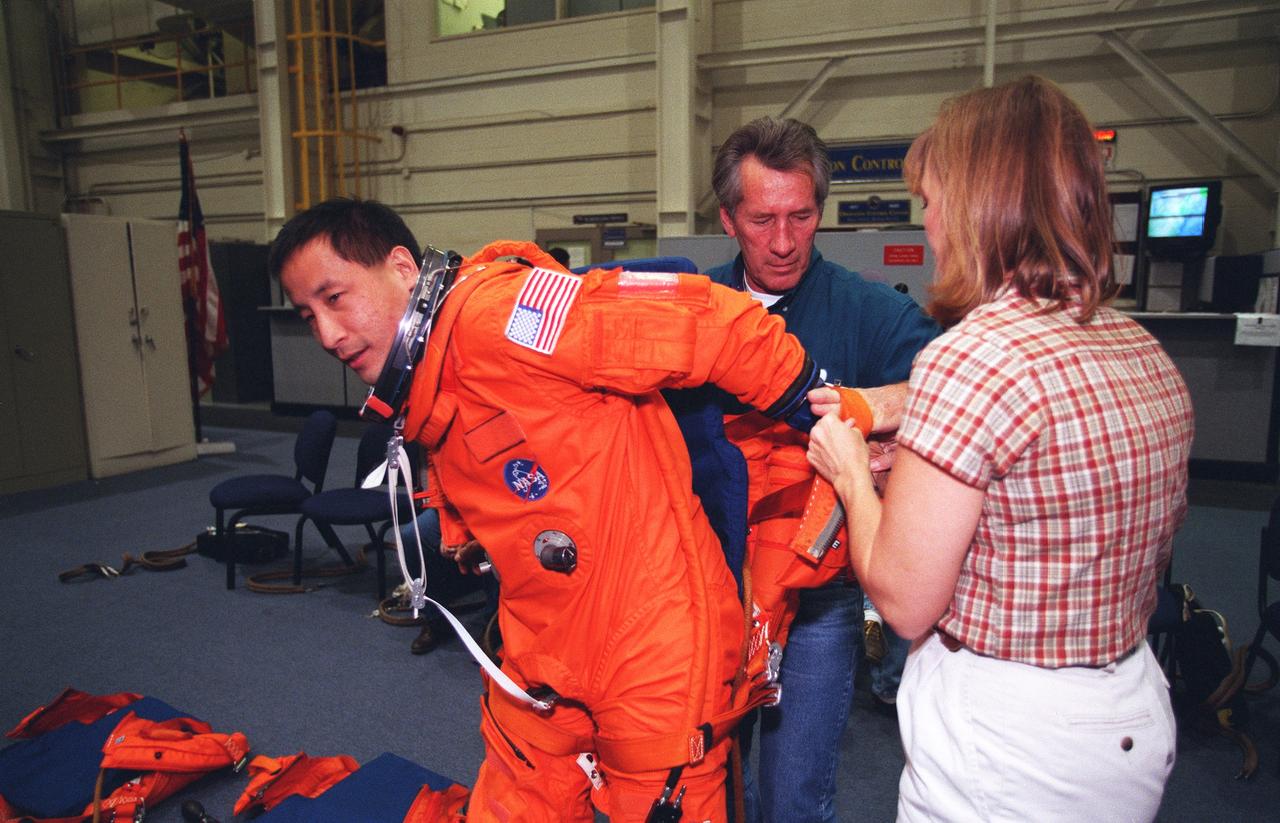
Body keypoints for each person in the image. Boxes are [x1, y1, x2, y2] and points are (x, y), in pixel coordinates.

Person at [268, 199, 878, 822]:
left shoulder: (504, 315)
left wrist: (819, 406)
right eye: (307, 314)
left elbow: (706, 321)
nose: (325, 334)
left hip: (652, 639)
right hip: (546, 638)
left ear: (400, 267)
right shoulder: (436, 371)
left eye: (334, 298)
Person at [806, 75, 1193, 821]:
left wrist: (853, 473)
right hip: (1127, 714)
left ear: (979, 201)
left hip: (1008, 745)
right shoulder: (1138, 347)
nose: (929, 223)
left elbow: (904, 597)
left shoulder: (973, 357)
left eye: (932, 197)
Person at [704, 116, 938, 822]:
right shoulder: (691, 312)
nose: (782, 241)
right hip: (703, 585)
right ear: (727, 218)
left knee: (793, 795)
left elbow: (948, 404)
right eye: (762, 219)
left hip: (815, 601)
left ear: (821, 212)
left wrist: (882, 445)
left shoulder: (874, 314)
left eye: (801, 217)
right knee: (696, 782)